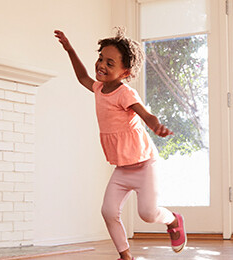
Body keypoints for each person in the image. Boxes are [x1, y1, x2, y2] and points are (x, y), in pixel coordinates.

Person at [54, 28, 186, 260]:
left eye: (110, 63)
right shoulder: (98, 88)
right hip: (122, 168)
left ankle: (174, 220)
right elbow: (83, 77)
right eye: (101, 58)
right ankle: (126, 256)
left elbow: (145, 114)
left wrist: (156, 126)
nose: (101, 65)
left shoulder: (125, 93)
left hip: (144, 165)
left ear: (125, 72)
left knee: (147, 213)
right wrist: (70, 50)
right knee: (108, 211)